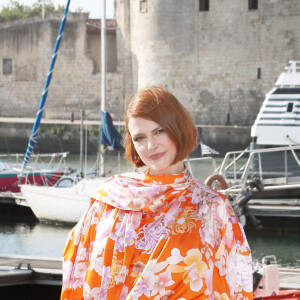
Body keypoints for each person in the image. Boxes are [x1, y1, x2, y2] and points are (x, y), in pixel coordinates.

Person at [61, 87, 253, 300]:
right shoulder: (111, 198)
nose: (150, 146)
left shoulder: (213, 208)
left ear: (178, 128)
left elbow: (236, 286)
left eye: (159, 131)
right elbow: (78, 268)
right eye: (139, 138)